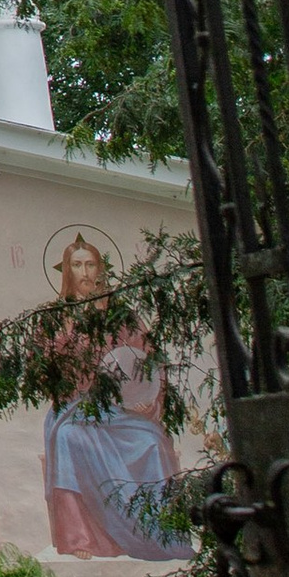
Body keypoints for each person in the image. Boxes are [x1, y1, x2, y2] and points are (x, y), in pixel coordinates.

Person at [41, 232, 178, 556]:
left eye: (91, 264)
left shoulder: (123, 317)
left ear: (100, 270)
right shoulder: (56, 319)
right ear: (67, 272)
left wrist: (148, 400)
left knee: (153, 443)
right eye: (77, 265)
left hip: (124, 411)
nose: (85, 272)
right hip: (77, 408)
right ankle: (80, 538)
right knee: (69, 439)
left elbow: (150, 363)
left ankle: (154, 531)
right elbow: (48, 373)